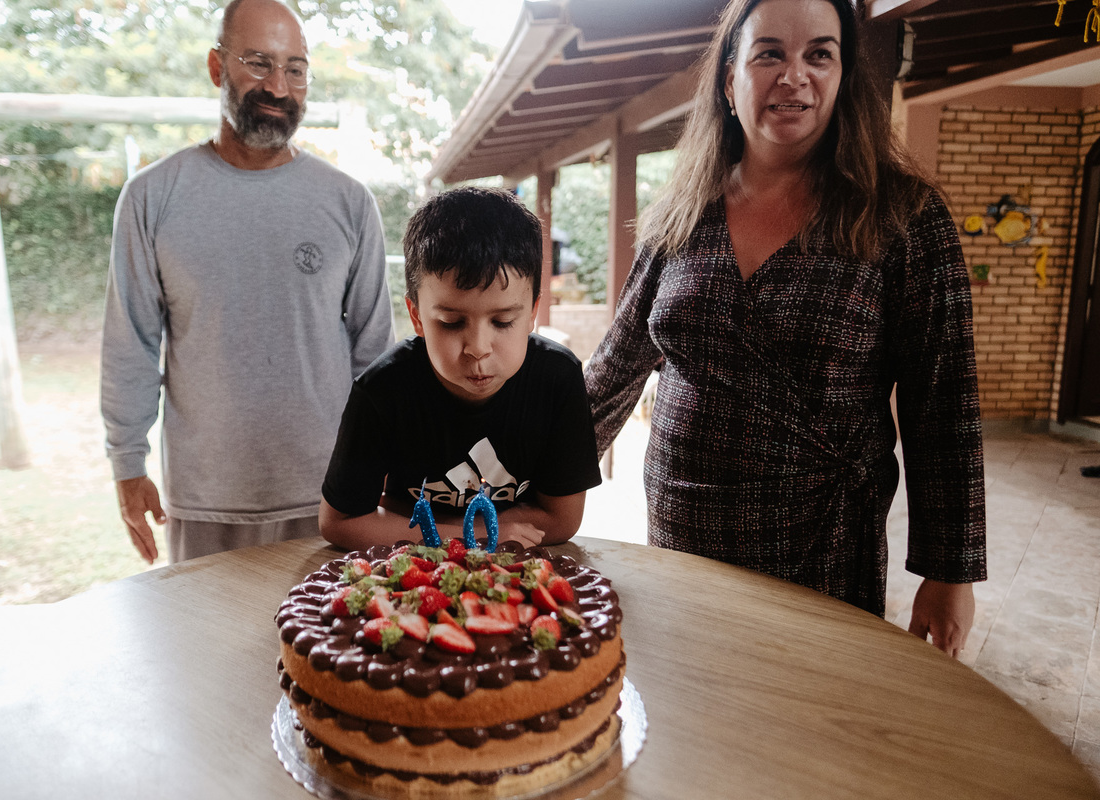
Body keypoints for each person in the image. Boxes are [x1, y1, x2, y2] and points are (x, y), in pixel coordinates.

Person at [584, 0, 986, 657]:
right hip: (684, 540)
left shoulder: (904, 215)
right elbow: (609, 375)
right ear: (729, 79)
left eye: (818, 55)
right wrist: (507, 477)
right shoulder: (680, 215)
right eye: (769, 52)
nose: (793, 75)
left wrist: (950, 571)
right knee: (694, 714)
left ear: (843, 76)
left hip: (820, 547)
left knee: (802, 734)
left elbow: (945, 407)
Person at [101, 0, 394, 564]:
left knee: (324, 649)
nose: (278, 87)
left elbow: (375, 355)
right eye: (258, 63)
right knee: (212, 652)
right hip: (207, 499)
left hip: (332, 499)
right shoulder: (151, 198)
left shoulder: (348, 203)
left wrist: (383, 463)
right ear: (217, 67)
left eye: (295, 68)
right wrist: (127, 464)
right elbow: (131, 341)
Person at [319, 187, 602, 551]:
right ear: (417, 316)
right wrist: (474, 538)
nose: (478, 349)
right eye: (451, 322)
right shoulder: (383, 390)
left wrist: (436, 532)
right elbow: (340, 522)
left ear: (532, 312)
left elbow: (563, 518)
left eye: (502, 322)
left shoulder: (557, 379)